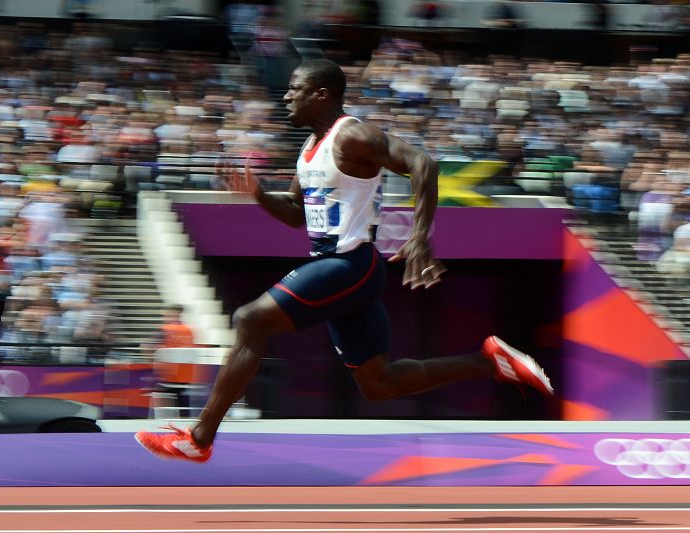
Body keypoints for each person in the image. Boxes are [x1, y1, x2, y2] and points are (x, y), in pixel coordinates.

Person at [135, 59, 553, 462]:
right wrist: (259, 195)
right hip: (337, 268)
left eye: (294, 90)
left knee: (249, 319)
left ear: (321, 94)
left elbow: (423, 163)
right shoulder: (308, 148)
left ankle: (200, 437)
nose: (285, 97)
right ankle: (490, 361)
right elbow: (298, 215)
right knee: (379, 384)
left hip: (350, 264)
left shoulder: (351, 135)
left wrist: (420, 236)